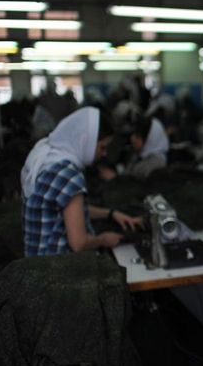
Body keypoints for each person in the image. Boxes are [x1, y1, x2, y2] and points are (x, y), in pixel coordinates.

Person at [21, 106, 143, 257]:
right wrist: (104, 239)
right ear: (86, 141)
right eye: (102, 147)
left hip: (34, 265)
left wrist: (111, 214)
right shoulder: (69, 175)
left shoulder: (47, 157)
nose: (104, 154)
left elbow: (70, 211)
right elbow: (78, 244)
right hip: (56, 270)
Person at [99, 116, 169, 181]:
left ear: (150, 140)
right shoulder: (140, 154)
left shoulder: (156, 164)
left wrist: (115, 178)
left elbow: (141, 188)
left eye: (137, 136)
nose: (132, 138)